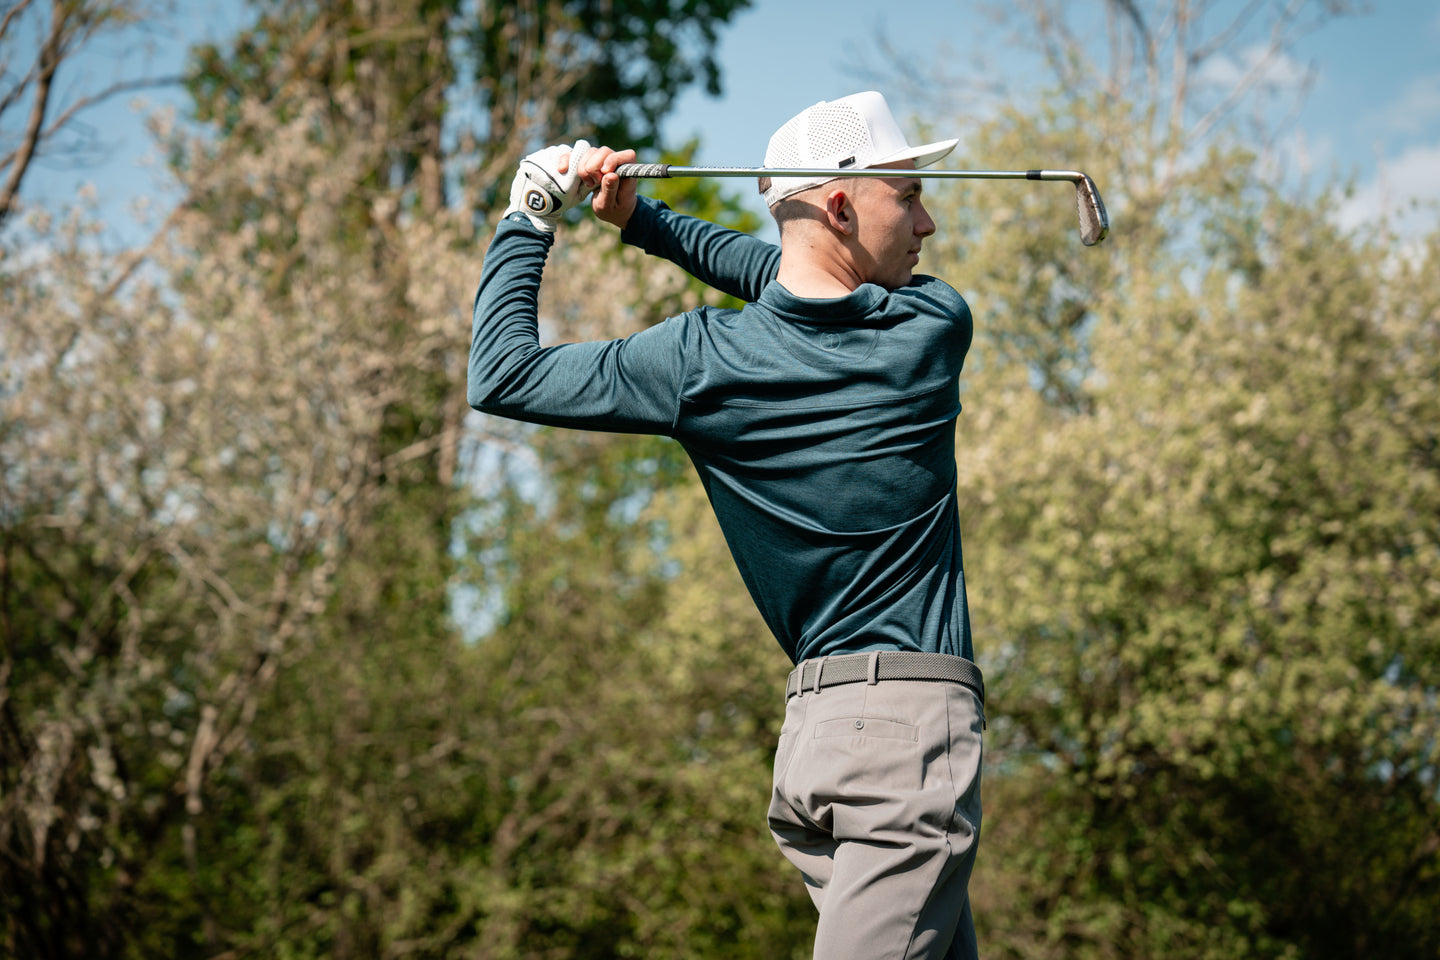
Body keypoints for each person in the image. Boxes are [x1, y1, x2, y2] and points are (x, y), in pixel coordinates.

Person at [470, 91, 985, 960]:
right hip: (908, 747)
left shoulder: (699, 363)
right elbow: (782, 276)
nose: (927, 221)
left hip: (816, 743)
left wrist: (533, 214)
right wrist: (650, 226)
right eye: (909, 193)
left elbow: (503, 373)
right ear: (842, 204)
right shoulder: (932, 327)